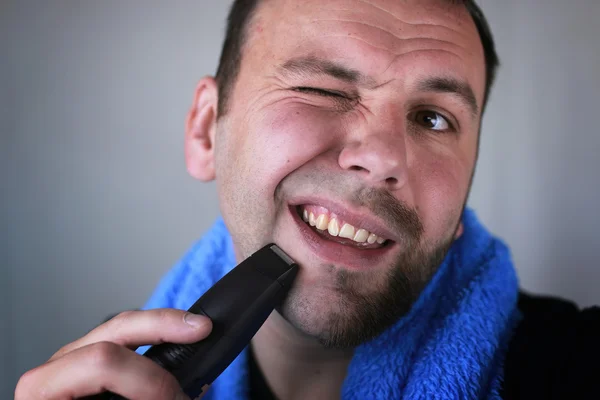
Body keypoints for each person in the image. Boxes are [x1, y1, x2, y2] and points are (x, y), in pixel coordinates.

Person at [15, 0, 600, 399]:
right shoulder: (105, 378)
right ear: (206, 129)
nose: (384, 157)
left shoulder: (570, 366)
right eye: (321, 89)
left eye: (432, 118)